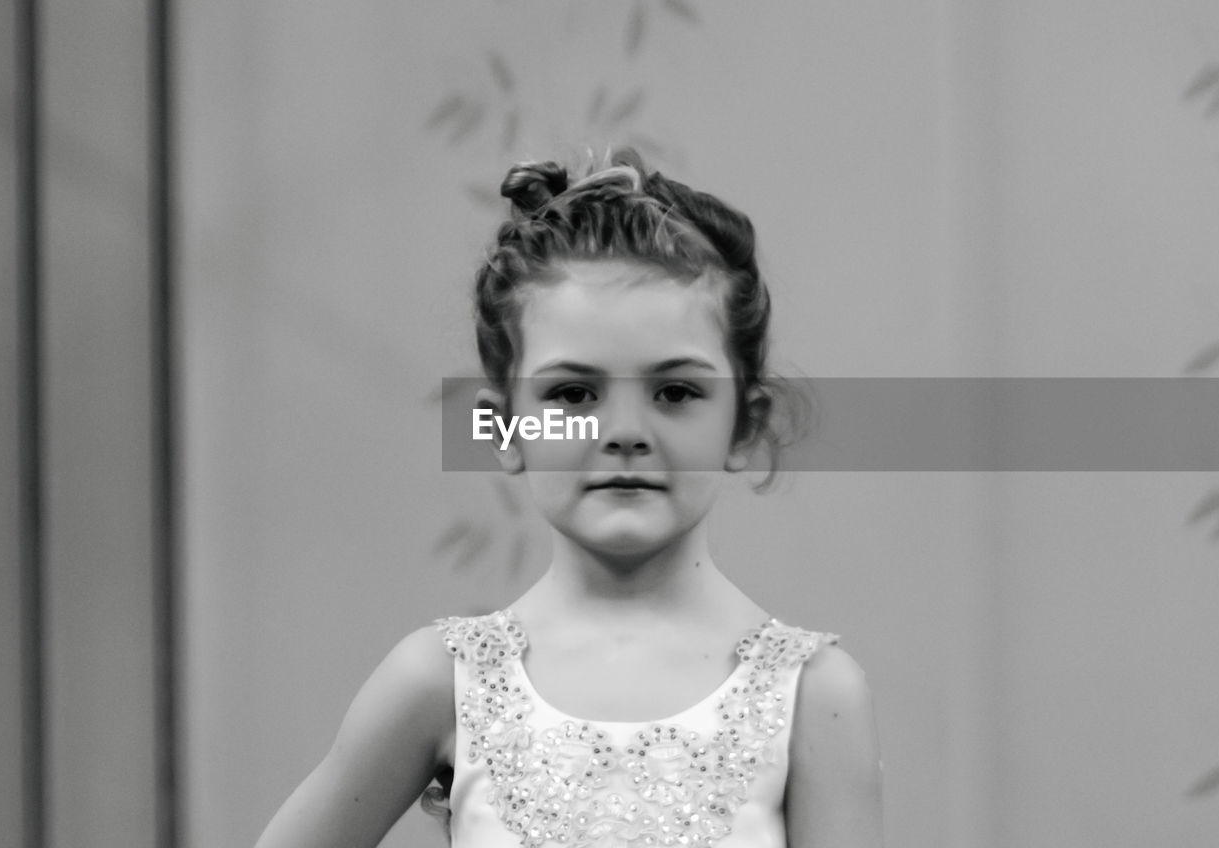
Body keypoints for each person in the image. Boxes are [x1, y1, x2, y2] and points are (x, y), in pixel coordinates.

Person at [255, 148, 884, 848]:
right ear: (502, 426)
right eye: (573, 394)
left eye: (675, 392)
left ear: (746, 424)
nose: (622, 433)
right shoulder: (436, 681)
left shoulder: (816, 699)